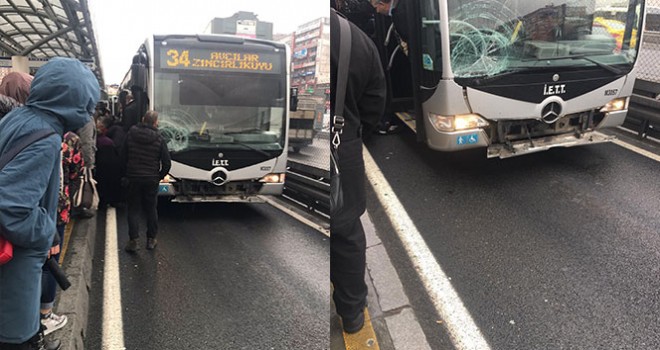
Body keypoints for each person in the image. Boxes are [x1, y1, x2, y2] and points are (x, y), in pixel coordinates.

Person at [0, 58, 99, 350]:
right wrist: (46, 230)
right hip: (16, 263)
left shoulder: (18, 119)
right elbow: (11, 208)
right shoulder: (45, 137)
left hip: (10, 257)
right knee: (17, 339)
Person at [330, 4, 387, 334]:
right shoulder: (359, 40)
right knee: (346, 231)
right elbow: (375, 102)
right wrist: (351, 130)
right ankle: (351, 315)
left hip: (300, 146)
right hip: (342, 147)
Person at [40, 131, 84, 337]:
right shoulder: (71, 140)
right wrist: (68, 193)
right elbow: (77, 173)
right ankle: (45, 314)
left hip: (31, 208)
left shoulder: (29, 129)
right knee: (51, 263)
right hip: (58, 209)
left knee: (32, 262)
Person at [121, 110, 171, 252]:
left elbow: (122, 156)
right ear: (156, 122)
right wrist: (159, 176)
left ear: (143, 119)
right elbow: (167, 162)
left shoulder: (131, 134)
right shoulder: (159, 138)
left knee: (133, 209)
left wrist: (126, 174)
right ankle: (151, 240)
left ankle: (133, 241)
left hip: (133, 177)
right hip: (151, 179)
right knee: (151, 209)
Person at [95, 117, 123, 208]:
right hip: (112, 165)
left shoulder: (97, 142)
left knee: (102, 183)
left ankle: (103, 201)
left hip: (100, 165)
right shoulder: (110, 142)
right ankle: (113, 200)